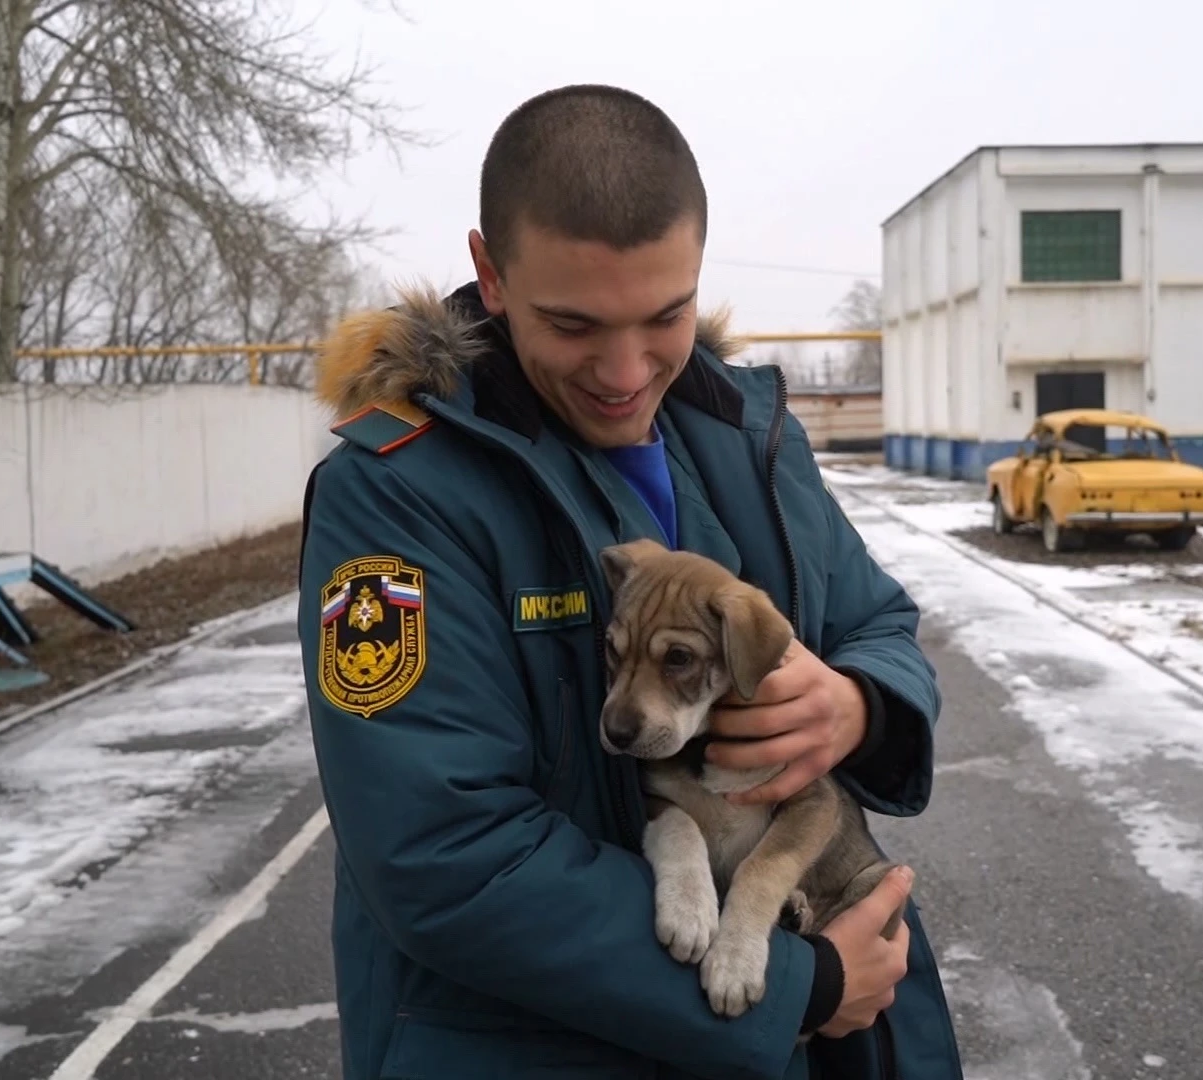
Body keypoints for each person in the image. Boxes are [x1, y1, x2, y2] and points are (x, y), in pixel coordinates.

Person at [295, 82, 964, 1080]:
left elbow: (878, 619)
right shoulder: (400, 497)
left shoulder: (744, 435)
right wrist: (798, 989)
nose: (624, 369)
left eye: (667, 315)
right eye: (572, 324)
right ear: (490, 268)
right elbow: (443, 856)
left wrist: (855, 704)